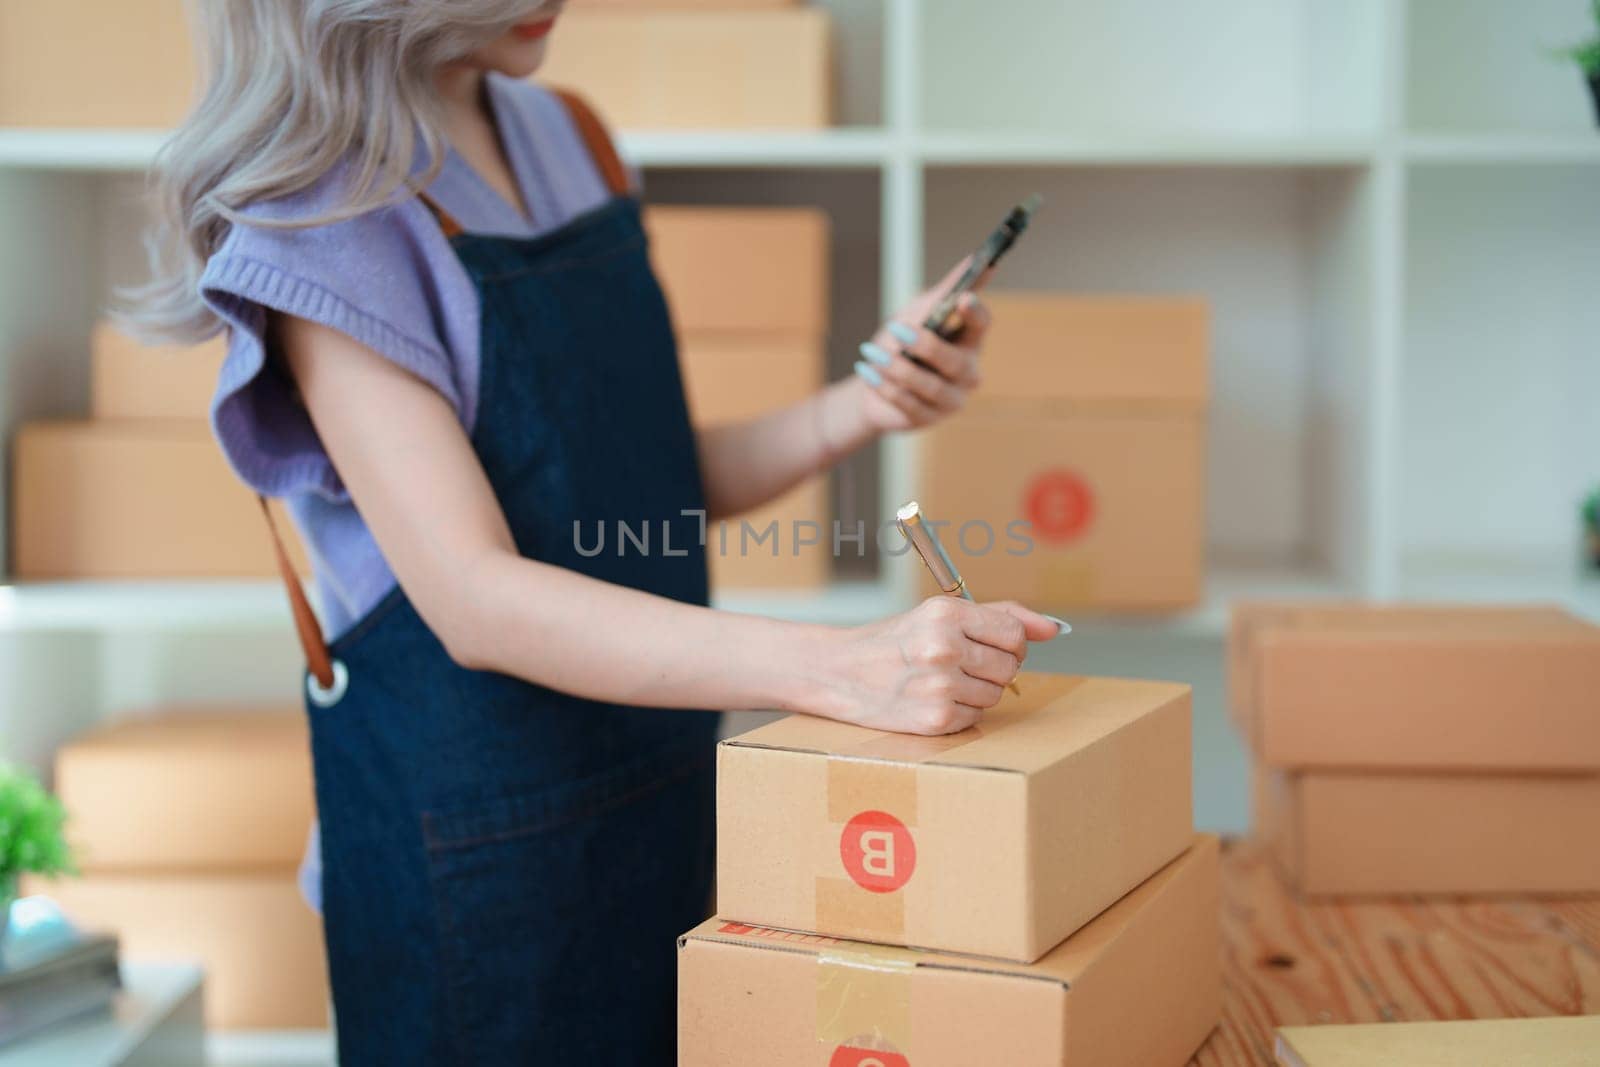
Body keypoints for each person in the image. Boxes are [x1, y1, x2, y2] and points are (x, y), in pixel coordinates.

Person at [125, 2, 1068, 1062]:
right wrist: (844, 667)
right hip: (476, 872)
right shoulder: (322, 216)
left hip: (661, 803)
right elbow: (477, 598)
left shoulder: (569, 134)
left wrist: (868, 398)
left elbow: (638, 493)